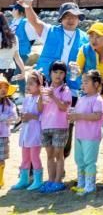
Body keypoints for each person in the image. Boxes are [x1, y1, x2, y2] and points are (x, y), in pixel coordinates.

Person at [23, 0, 88, 158]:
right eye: (67, 16)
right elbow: (35, 21)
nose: (71, 19)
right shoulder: (50, 31)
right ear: (61, 18)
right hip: (47, 83)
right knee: (40, 118)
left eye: (74, 16)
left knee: (68, 120)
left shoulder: (85, 38)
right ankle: (34, 160)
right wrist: (28, 7)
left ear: (79, 18)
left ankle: (62, 158)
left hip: (71, 86)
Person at [69, 70, 103, 195]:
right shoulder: (82, 98)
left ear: (96, 84)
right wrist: (72, 115)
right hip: (79, 134)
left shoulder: (98, 99)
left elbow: (96, 116)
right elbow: (77, 114)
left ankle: (90, 185)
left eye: (86, 82)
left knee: (89, 161)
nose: (82, 85)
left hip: (91, 135)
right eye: (82, 83)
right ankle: (81, 183)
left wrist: (78, 116)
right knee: (79, 160)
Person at [38, 61, 72, 193]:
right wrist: (40, 96)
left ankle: (58, 181)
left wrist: (53, 96)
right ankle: (51, 180)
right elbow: (40, 109)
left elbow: (64, 107)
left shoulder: (65, 90)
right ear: (50, 73)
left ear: (65, 74)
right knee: (49, 155)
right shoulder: (45, 89)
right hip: (45, 125)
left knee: (59, 154)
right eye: (55, 72)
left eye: (61, 72)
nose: (58, 75)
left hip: (60, 126)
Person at [10, 71, 43, 191]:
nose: (28, 86)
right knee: (25, 158)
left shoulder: (40, 99)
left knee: (34, 157)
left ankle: (38, 180)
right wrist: (23, 117)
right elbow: (24, 115)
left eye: (31, 83)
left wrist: (32, 116)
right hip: (25, 132)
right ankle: (24, 180)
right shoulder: (27, 99)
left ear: (39, 85)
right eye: (27, 83)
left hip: (35, 133)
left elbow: (43, 116)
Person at [8, 3, 35, 96]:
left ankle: (22, 94)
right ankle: (14, 93)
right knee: (14, 72)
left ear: (18, 11)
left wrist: (26, 47)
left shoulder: (25, 22)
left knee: (18, 72)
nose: (12, 11)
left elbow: (32, 37)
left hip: (22, 52)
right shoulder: (13, 22)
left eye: (13, 9)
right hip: (12, 52)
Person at [0, 75, 19, 188]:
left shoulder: (9, 104)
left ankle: (0, 178)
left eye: (5, 87)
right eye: (0, 87)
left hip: (3, 135)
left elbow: (15, 117)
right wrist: (4, 117)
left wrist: (5, 117)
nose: (3, 90)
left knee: (1, 158)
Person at [0, 13, 27, 87]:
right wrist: (23, 71)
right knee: (5, 91)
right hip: (10, 69)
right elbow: (17, 57)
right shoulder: (14, 37)